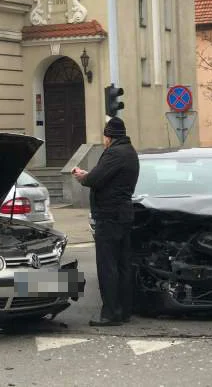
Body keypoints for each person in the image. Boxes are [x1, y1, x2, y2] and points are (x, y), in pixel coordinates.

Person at [72, 116, 140, 326]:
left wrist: (83, 176)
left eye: (105, 136)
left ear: (109, 136)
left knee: (108, 266)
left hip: (109, 216)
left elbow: (95, 180)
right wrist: (90, 174)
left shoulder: (114, 153)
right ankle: (124, 310)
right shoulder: (130, 152)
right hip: (123, 214)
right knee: (122, 265)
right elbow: (107, 177)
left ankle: (110, 313)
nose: (104, 140)